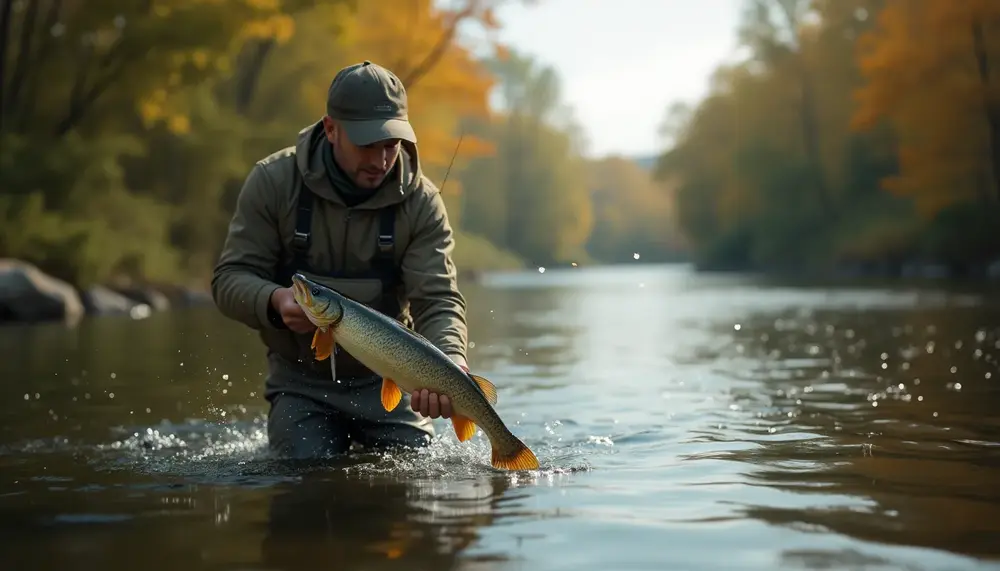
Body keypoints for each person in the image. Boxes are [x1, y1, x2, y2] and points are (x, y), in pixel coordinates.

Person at [211, 60, 469, 459]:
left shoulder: (422, 202)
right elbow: (229, 279)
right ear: (331, 129)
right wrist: (275, 302)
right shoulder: (273, 182)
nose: (381, 160)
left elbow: (437, 300)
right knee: (305, 475)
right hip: (300, 384)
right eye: (367, 144)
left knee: (414, 481)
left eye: (391, 144)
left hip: (388, 384)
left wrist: (451, 363)